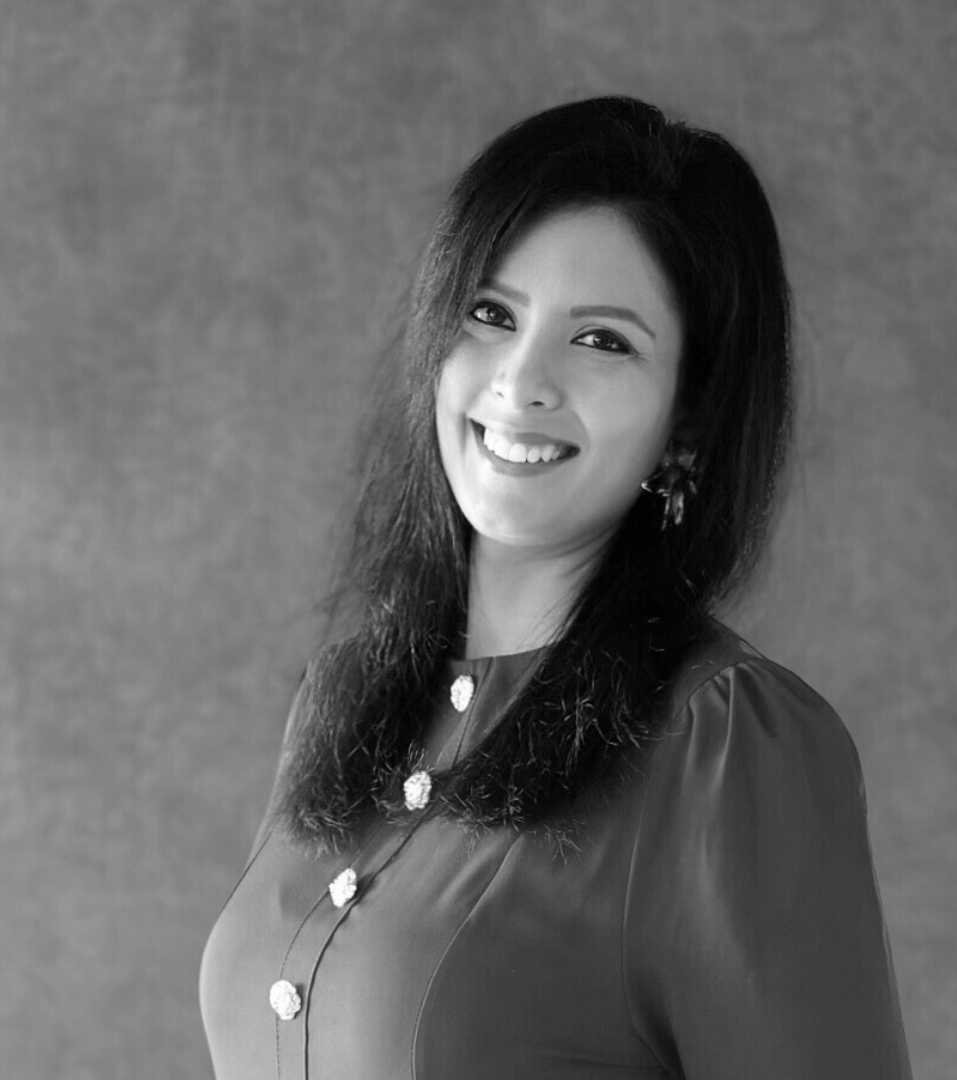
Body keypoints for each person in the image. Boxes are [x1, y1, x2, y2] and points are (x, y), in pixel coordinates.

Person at [199, 96, 912, 1079]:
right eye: (490, 315)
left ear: (688, 418)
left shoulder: (723, 748)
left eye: (603, 340)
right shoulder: (343, 699)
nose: (521, 380)